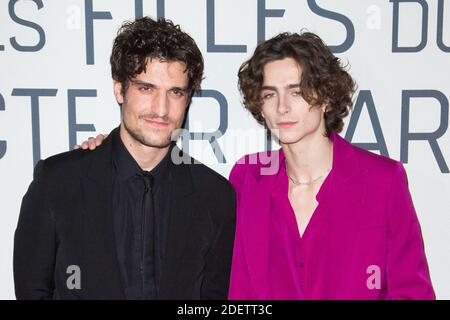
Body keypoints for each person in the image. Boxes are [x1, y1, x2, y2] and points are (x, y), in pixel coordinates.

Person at [13, 17, 236, 300]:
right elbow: (32, 290)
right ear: (120, 89)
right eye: (146, 88)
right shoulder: (57, 181)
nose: (161, 109)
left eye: (175, 92)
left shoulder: (214, 195)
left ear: (188, 98)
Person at [227, 31, 434, 299]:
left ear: (325, 98)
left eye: (297, 93)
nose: (282, 107)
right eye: (269, 95)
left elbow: (412, 292)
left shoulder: (382, 180)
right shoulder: (248, 178)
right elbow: (238, 290)